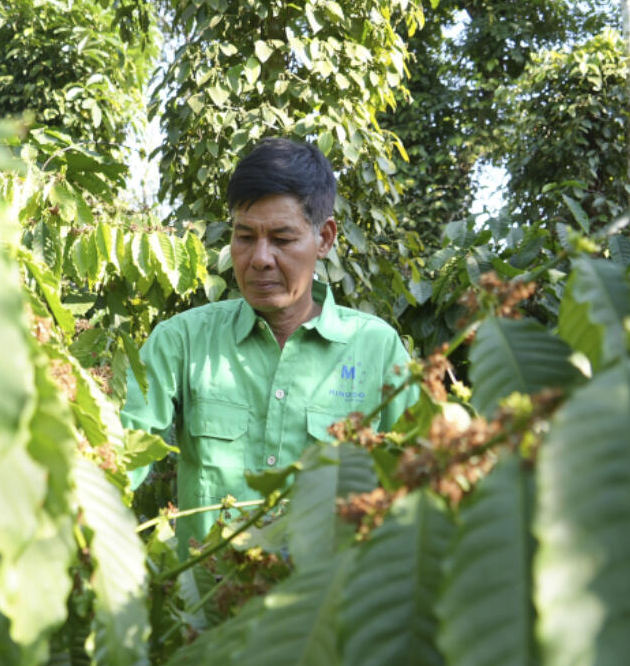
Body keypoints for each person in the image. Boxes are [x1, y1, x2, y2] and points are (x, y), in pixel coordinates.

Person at [121, 138, 417, 556]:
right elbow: (122, 457)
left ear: (325, 238)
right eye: (245, 237)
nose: (259, 258)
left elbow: (416, 484)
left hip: (326, 612)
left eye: (282, 238)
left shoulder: (378, 350)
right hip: (205, 611)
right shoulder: (182, 343)